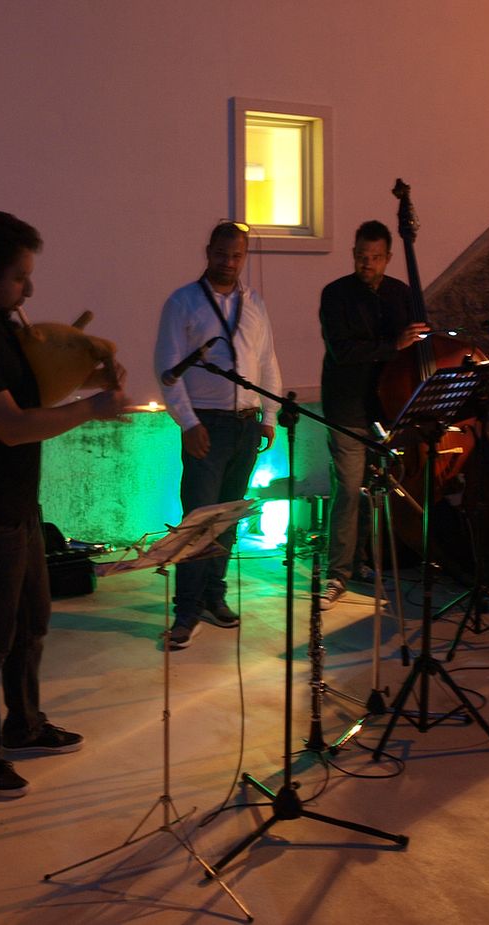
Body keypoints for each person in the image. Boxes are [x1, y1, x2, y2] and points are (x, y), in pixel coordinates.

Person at [0, 209, 130, 798]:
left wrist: (95, 377)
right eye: (19, 277)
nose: (29, 290)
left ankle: (24, 724)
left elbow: (36, 388)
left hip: (17, 507)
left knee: (31, 625)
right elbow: (11, 426)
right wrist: (92, 410)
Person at [154, 221, 282, 649]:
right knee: (198, 521)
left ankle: (214, 595)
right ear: (208, 251)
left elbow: (267, 359)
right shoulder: (183, 302)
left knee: (226, 519)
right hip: (206, 425)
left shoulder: (255, 302)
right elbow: (167, 367)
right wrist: (188, 423)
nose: (229, 262)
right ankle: (186, 610)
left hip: (246, 424)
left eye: (237, 255)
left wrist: (269, 414)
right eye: (221, 254)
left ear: (244, 257)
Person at [318, 220, 429, 609]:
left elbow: (414, 344)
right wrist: (393, 344)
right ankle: (337, 572)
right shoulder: (335, 294)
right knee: (349, 489)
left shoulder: (401, 294)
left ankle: (359, 561)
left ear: (388, 257)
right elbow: (342, 351)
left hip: (387, 408)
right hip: (347, 406)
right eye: (362, 256)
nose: (368, 264)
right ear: (353, 254)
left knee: (372, 488)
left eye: (376, 257)